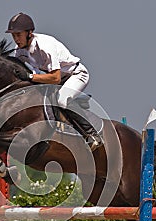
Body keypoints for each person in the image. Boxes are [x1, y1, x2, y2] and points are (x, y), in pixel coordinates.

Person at [6, 12, 103, 151]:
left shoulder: (45, 46)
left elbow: (55, 77)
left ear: (29, 33)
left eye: (18, 34)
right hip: (51, 79)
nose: (16, 39)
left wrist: (30, 77)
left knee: (62, 101)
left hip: (74, 75)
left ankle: (92, 134)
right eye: (13, 35)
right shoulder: (19, 51)